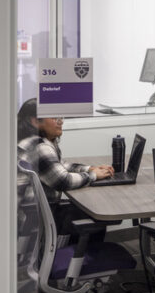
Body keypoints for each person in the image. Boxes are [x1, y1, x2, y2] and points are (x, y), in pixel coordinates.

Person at [16, 98, 114, 236]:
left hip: (31, 214)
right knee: (96, 215)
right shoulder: (39, 147)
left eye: (60, 117)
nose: (60, 121)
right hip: (35, 220)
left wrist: (90, 169)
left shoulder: (29, 140)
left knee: (85, 210)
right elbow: (63, 180)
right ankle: (84, 250)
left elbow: (60, 165)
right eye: (54, 117)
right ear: (36, 121)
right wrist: (93, 176)